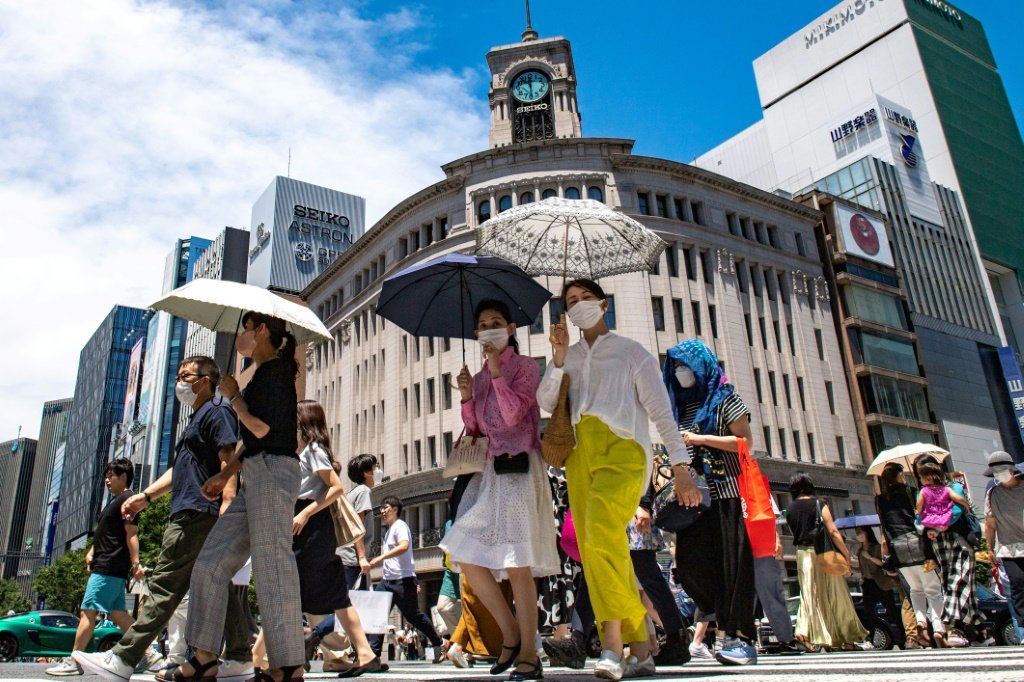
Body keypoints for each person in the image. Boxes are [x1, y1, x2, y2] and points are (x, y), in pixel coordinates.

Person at [537, 279, 697, 681]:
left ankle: (612, 644)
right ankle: (641, 645)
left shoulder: (632, 352)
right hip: (579, 455)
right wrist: (557, 358)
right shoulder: (568, 356)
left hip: (624, 450)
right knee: (597, 548)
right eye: (570, 302)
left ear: (603, 305)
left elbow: (662, 413)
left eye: (584, 299)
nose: (577, 306)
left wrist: (680, 468)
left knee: (603, 533)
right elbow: (545, 402)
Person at [73, 357, 254, 682]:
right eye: (179, 375)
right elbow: (181, 469)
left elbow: (228, 458)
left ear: (206, 380)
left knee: (165, 584)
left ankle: (124, 658)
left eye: (186, 376)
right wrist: (146, 497)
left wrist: (227, 503)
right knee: (216, 585)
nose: (180, 383)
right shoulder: (196, 418)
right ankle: (240, 657)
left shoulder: (217, 410)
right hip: (190, 508)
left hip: (198, 512)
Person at [441, 299, 561, 681]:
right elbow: (475, 429)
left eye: (496, 322)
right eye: (482, 324)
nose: (489, 329)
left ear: (510, 329)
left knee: (516, 560)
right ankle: (511, 634)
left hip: (520, 469)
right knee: (463, 551)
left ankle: (529, 651)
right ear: (475, 333)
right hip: (489, 472)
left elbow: (512, 415)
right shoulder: (476, 378)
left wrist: (495, 371)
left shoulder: (525, 368)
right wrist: (465, 396)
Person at [180, 312, 305, 682]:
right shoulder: (260, 375)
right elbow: (251, 442)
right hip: (256, 474)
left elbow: (262, 429)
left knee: (272, 565)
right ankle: (204, 657)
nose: (241, 337)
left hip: (275, 472)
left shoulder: (277, 372)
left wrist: (233, 397)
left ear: (261, 331)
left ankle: (287, 665)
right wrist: (224, 475)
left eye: (246, 329)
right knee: (211, 563)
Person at [663, 339, 758, 666]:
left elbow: (745, 443)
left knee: (735, 568)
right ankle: (718, 616)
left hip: (729, 493)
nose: (679, 372)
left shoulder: (726, 398)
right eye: (674, 366)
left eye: (684, 365)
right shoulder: (681, 406)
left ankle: (741, 638)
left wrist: (701, 439)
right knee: (690, 564)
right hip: (694, 500)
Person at [291, 400, 379, 678]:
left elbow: (336, 488)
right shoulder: (306, 451)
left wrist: (305, 513)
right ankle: (364, 653)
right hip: (309, 524)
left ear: (304, 421)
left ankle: (269, 658)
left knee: (288, 588)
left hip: (312, 525)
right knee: (334, 594)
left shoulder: (313, 450)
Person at [48, 459, 143, 677]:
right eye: (106, 476)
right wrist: (92, 551)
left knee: (87, 611)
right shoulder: (115, 502)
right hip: (107, 563)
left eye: (111, 476)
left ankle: (74, 660)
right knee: (118, 614)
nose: (107, 480)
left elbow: (132, 533)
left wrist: (136, 563)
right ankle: (146, 651)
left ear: (124, 477)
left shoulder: (128, 499)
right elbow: (106, 533)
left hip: (109, 565)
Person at [786, 473, 868, 650]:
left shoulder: (790, 508)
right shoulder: (819, 503)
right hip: (823, 552)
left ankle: (804, 629)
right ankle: (846, 638)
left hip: (802, 554)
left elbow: (795, 533)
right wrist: (846, 555)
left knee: (809, 594)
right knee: (836, 593)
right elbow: (833, 531)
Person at [912, 454, 983, 646]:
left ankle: (955, 627)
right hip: (939, 542)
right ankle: (977, 631)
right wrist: (929, 528)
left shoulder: (953, 487)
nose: (923, 478)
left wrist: (938, 526)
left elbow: (959, 510)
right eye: (921, 473)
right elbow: (918, 517)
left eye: (925, 472)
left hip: (958, 539)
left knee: (959, 580)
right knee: (953, 581)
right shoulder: (923, 492)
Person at [366, 496, 445, 663]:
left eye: (385, 507)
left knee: (413, 616)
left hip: (402, 581)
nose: (382, 511)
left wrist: (379, 559)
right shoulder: (388, 531)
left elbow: (404, 546)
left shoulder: (400, 526)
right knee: (377, 616)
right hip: (387, 581)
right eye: (381, 508)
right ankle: (374, 656)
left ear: (395, 510)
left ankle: (438, 643)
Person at [874, 462, 945, 647]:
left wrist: (886, 559)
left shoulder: (880, 499)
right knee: (933, 590)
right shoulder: (911, 492)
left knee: (915, 590)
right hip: (919, 545)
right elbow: (923, 516)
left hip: (899, 550)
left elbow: (884, 532)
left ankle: (920, 620)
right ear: (899, 475)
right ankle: (938, 628)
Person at [983, 451, 1024, 640]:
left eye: (1002, 470)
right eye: (995, 473)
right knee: (1017, 583)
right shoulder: (993, 493)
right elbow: (990, 524)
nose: (999, 475)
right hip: (1009, 548)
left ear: (1012, 469)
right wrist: (989, 548)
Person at [754, 498, 802, 655]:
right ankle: (737, 638)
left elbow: (769, 514)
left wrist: (776, 538)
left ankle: (786, 638)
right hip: (736, 540)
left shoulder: (754, 480)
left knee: (772, 592)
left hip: (761, 541)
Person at [339, 454, 381, 590]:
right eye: (375, 467)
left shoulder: (351, 493)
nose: (378, 471)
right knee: (353, 604)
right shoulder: (364, 491)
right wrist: (362, 557)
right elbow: (357, 525)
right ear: (367, 473)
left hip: (344, 556)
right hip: (352, 559)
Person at [854, 526, 901, 642]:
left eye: (860, 532)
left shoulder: (876, 548)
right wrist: (851, 569)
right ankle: (870, 638)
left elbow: (882, 564)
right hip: (867, 583)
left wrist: (869, 557)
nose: (859, 535)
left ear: (867, 533)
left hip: (881, 582)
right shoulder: (859, 551)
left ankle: (902, 637)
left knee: (891, 610)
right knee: (868, 612)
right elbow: (862, 569)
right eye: (857, 533)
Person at [916, 461, 969, 533]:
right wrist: (967, 505)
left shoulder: (924, 491)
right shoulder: (946, 489)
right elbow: (958, 498)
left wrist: (917, 512)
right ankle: (942, 526)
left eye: (921, 477)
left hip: (930, 517)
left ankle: (936, 528)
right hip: (945, 516)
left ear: (928, 478)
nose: (920, 480)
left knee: (922, 521)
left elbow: (919, 504)